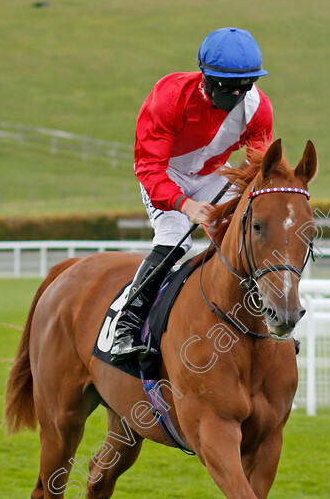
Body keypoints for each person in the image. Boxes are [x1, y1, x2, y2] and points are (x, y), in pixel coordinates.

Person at [110, 26, 273, 364]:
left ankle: (266, 316)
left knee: (242, 236)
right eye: (224, 87)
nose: (232, 95)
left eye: (241, 88)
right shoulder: (169, 96)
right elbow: (149, 168)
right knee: (175, 241)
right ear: (204, 76)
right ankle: (126, 325)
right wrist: (185, 205)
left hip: (212, 174)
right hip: (165, 173)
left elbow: (260, 169)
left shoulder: (259, 109)